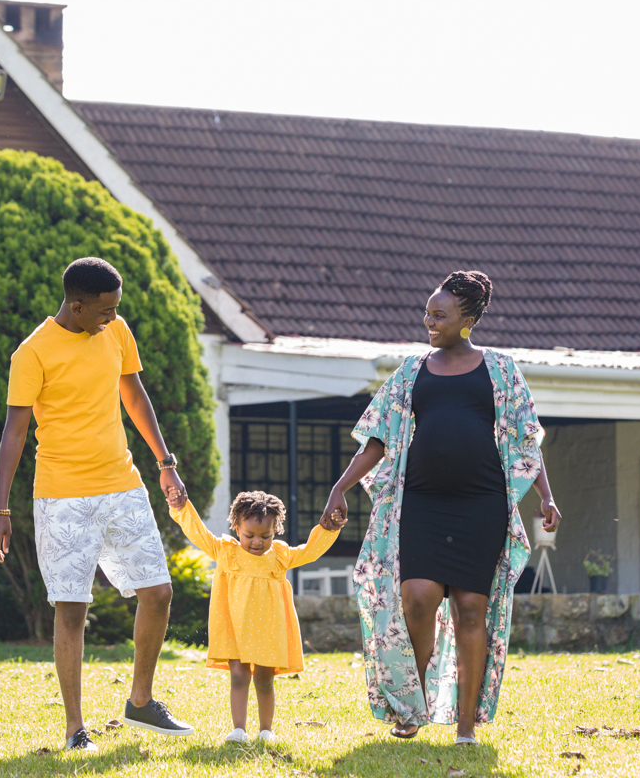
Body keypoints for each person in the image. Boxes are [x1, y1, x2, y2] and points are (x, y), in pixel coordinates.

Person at [324, 270, 560, 745]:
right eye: (428, 313)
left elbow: (525, 437)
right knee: (417, 597)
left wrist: (546, 495)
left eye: (440, 315)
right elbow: (377, 438)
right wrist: (340, 488)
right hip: (423, 504)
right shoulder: (412, 371)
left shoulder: (500, 369)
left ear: (467, 319)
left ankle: (466, 727)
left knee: (472, 609)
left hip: (481, 504)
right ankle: (412, 705)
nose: (429, 321)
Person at [0, 256, 194, 751]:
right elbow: (14, 432)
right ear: (76, 307)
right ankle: (76, 729)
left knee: (158, 592)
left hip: (122, 483)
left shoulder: (116, 331)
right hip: (62, 496)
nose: (112, 318)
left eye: (115, 309)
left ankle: (140, 702)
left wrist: (165, 462)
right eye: (103, 311)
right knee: (72, 609)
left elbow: (135, 396)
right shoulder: (32, 353)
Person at [167, 491, 345, 744]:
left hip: (267, 628)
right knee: (238, 676)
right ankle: (238, 729)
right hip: (234, 628)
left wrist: (327, 529)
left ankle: (266, 730)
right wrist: (182, 507)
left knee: (264, 679)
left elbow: (309, 552)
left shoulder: (280, 556)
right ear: (236, 527)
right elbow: (198, 533)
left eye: (266, 536)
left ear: (276, 530)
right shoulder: (225, 551)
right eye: (249, 535)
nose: (257, 542)